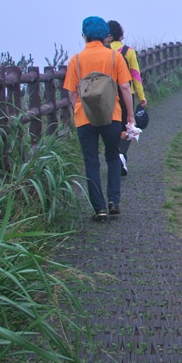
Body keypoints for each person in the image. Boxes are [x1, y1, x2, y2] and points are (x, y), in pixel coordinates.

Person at [64, 16, 135, 221]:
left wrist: (78, 110)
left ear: (84, 36)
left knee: (91, 162)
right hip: (111, 115)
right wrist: (130, 115)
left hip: (85, 117)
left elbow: (72, 92)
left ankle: (99, 209)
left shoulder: (76, 60)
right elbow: (124, 87)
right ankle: (114, 201)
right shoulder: (114, 57)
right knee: (112, 157)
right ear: (105, 36)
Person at [106, 20, 147, 176]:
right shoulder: (128, 51)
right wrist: (141, 96)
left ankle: (115, 155)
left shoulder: (104, 51)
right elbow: (135, 75)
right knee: (128, 126)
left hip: (107, 95)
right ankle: (122, 154)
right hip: (126, 94)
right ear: (121, 35)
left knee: (111, 126)